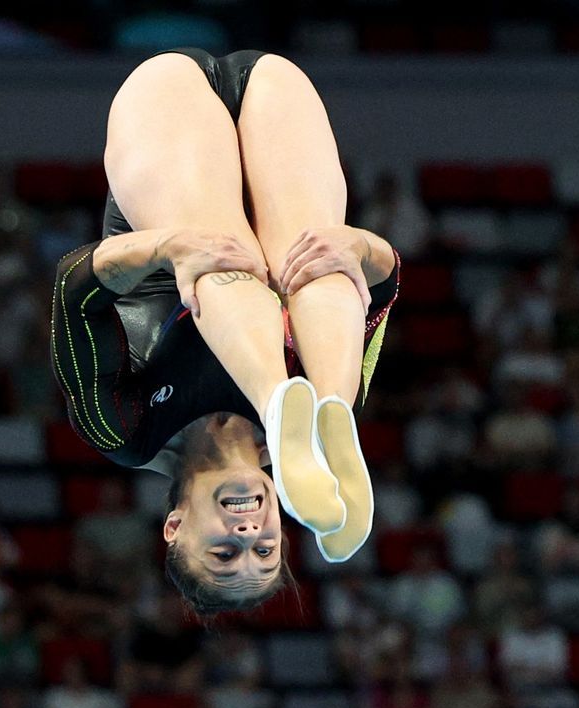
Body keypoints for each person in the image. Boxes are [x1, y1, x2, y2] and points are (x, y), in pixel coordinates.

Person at [50, 48, 400, 614]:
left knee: (212, 261)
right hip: (277, 95)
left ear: (175, 526)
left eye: (222, 553)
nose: (246, 534)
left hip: (167, 115)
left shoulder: (123, 430)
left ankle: (274, 393)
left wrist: (168, 247)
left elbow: (72, 288)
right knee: (317, 265)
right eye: (266, 549)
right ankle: (326, 404)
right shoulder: (313, 424)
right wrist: (358, 247)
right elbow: (382, 290)